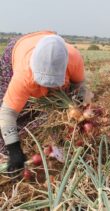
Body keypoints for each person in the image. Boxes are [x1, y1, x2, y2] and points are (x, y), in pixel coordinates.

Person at [0, 31, 91, 173]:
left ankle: (59, 144)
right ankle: (7, 155)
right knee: (14, 108)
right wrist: (14, 150)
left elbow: (80, 87)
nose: (47, 89)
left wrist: (78, 108)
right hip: (18, 50)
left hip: (50, 47)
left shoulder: (74, 59)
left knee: (58, 109)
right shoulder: (24, 74)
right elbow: (7, 113)